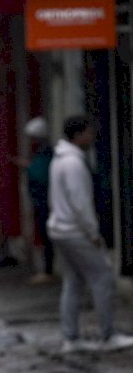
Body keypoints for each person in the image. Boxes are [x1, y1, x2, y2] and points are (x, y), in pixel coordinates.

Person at [48, 115, 133, 354]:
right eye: (89, 133)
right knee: (103, 277)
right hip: (75, 231)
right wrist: (93, 233)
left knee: (73, 281)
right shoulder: (73, 163)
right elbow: (80, 203)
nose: (92, 137)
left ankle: (71, 337)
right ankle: (108, 334)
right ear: (78, 135)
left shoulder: (59, 160)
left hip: (60, 229)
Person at [15, 117, 56, 285]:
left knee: (47, 236)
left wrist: (28, 167)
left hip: (45, 200)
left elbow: (42, 174)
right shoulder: (40, 152)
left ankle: (49, 270)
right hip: (40, 200)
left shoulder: (46, 152)